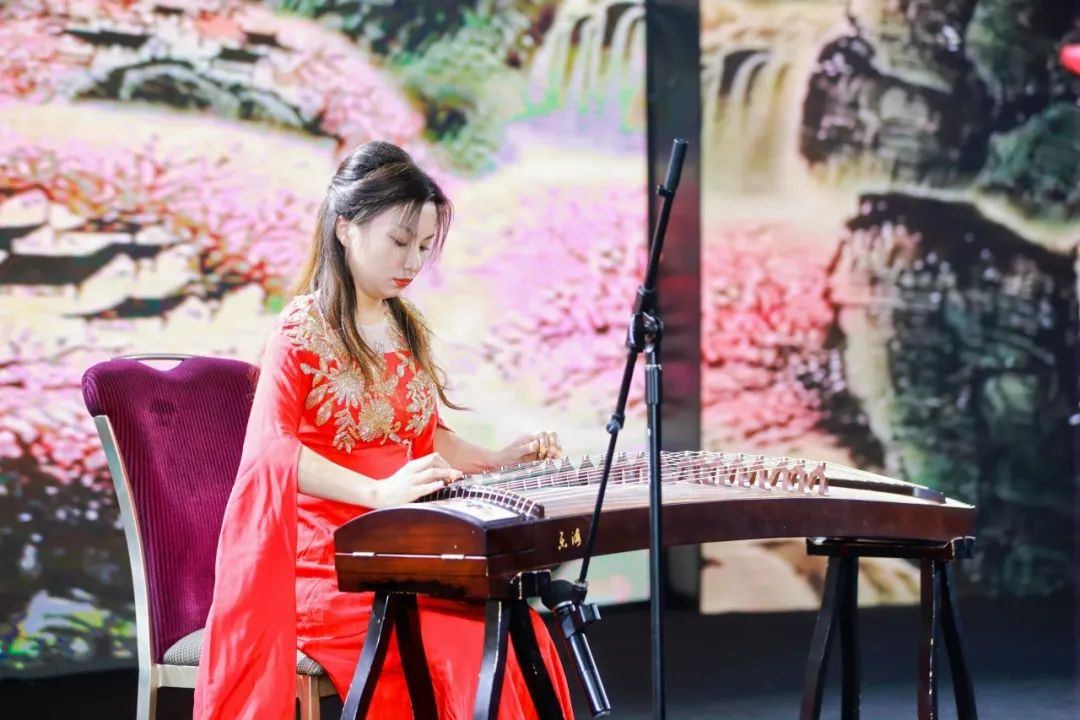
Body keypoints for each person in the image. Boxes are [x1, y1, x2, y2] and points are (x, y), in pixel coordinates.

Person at [193, 141, 574, 719]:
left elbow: (423, 433)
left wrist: (498, 460)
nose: (412, 262)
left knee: (518, 632)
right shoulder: (300, 331)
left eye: (423, 247)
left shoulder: (402, 323)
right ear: (345, 228)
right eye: (400, 242)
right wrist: (376, 492)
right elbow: (272, 450)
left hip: (401, 545)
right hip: (329, 563)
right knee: (465, 638)